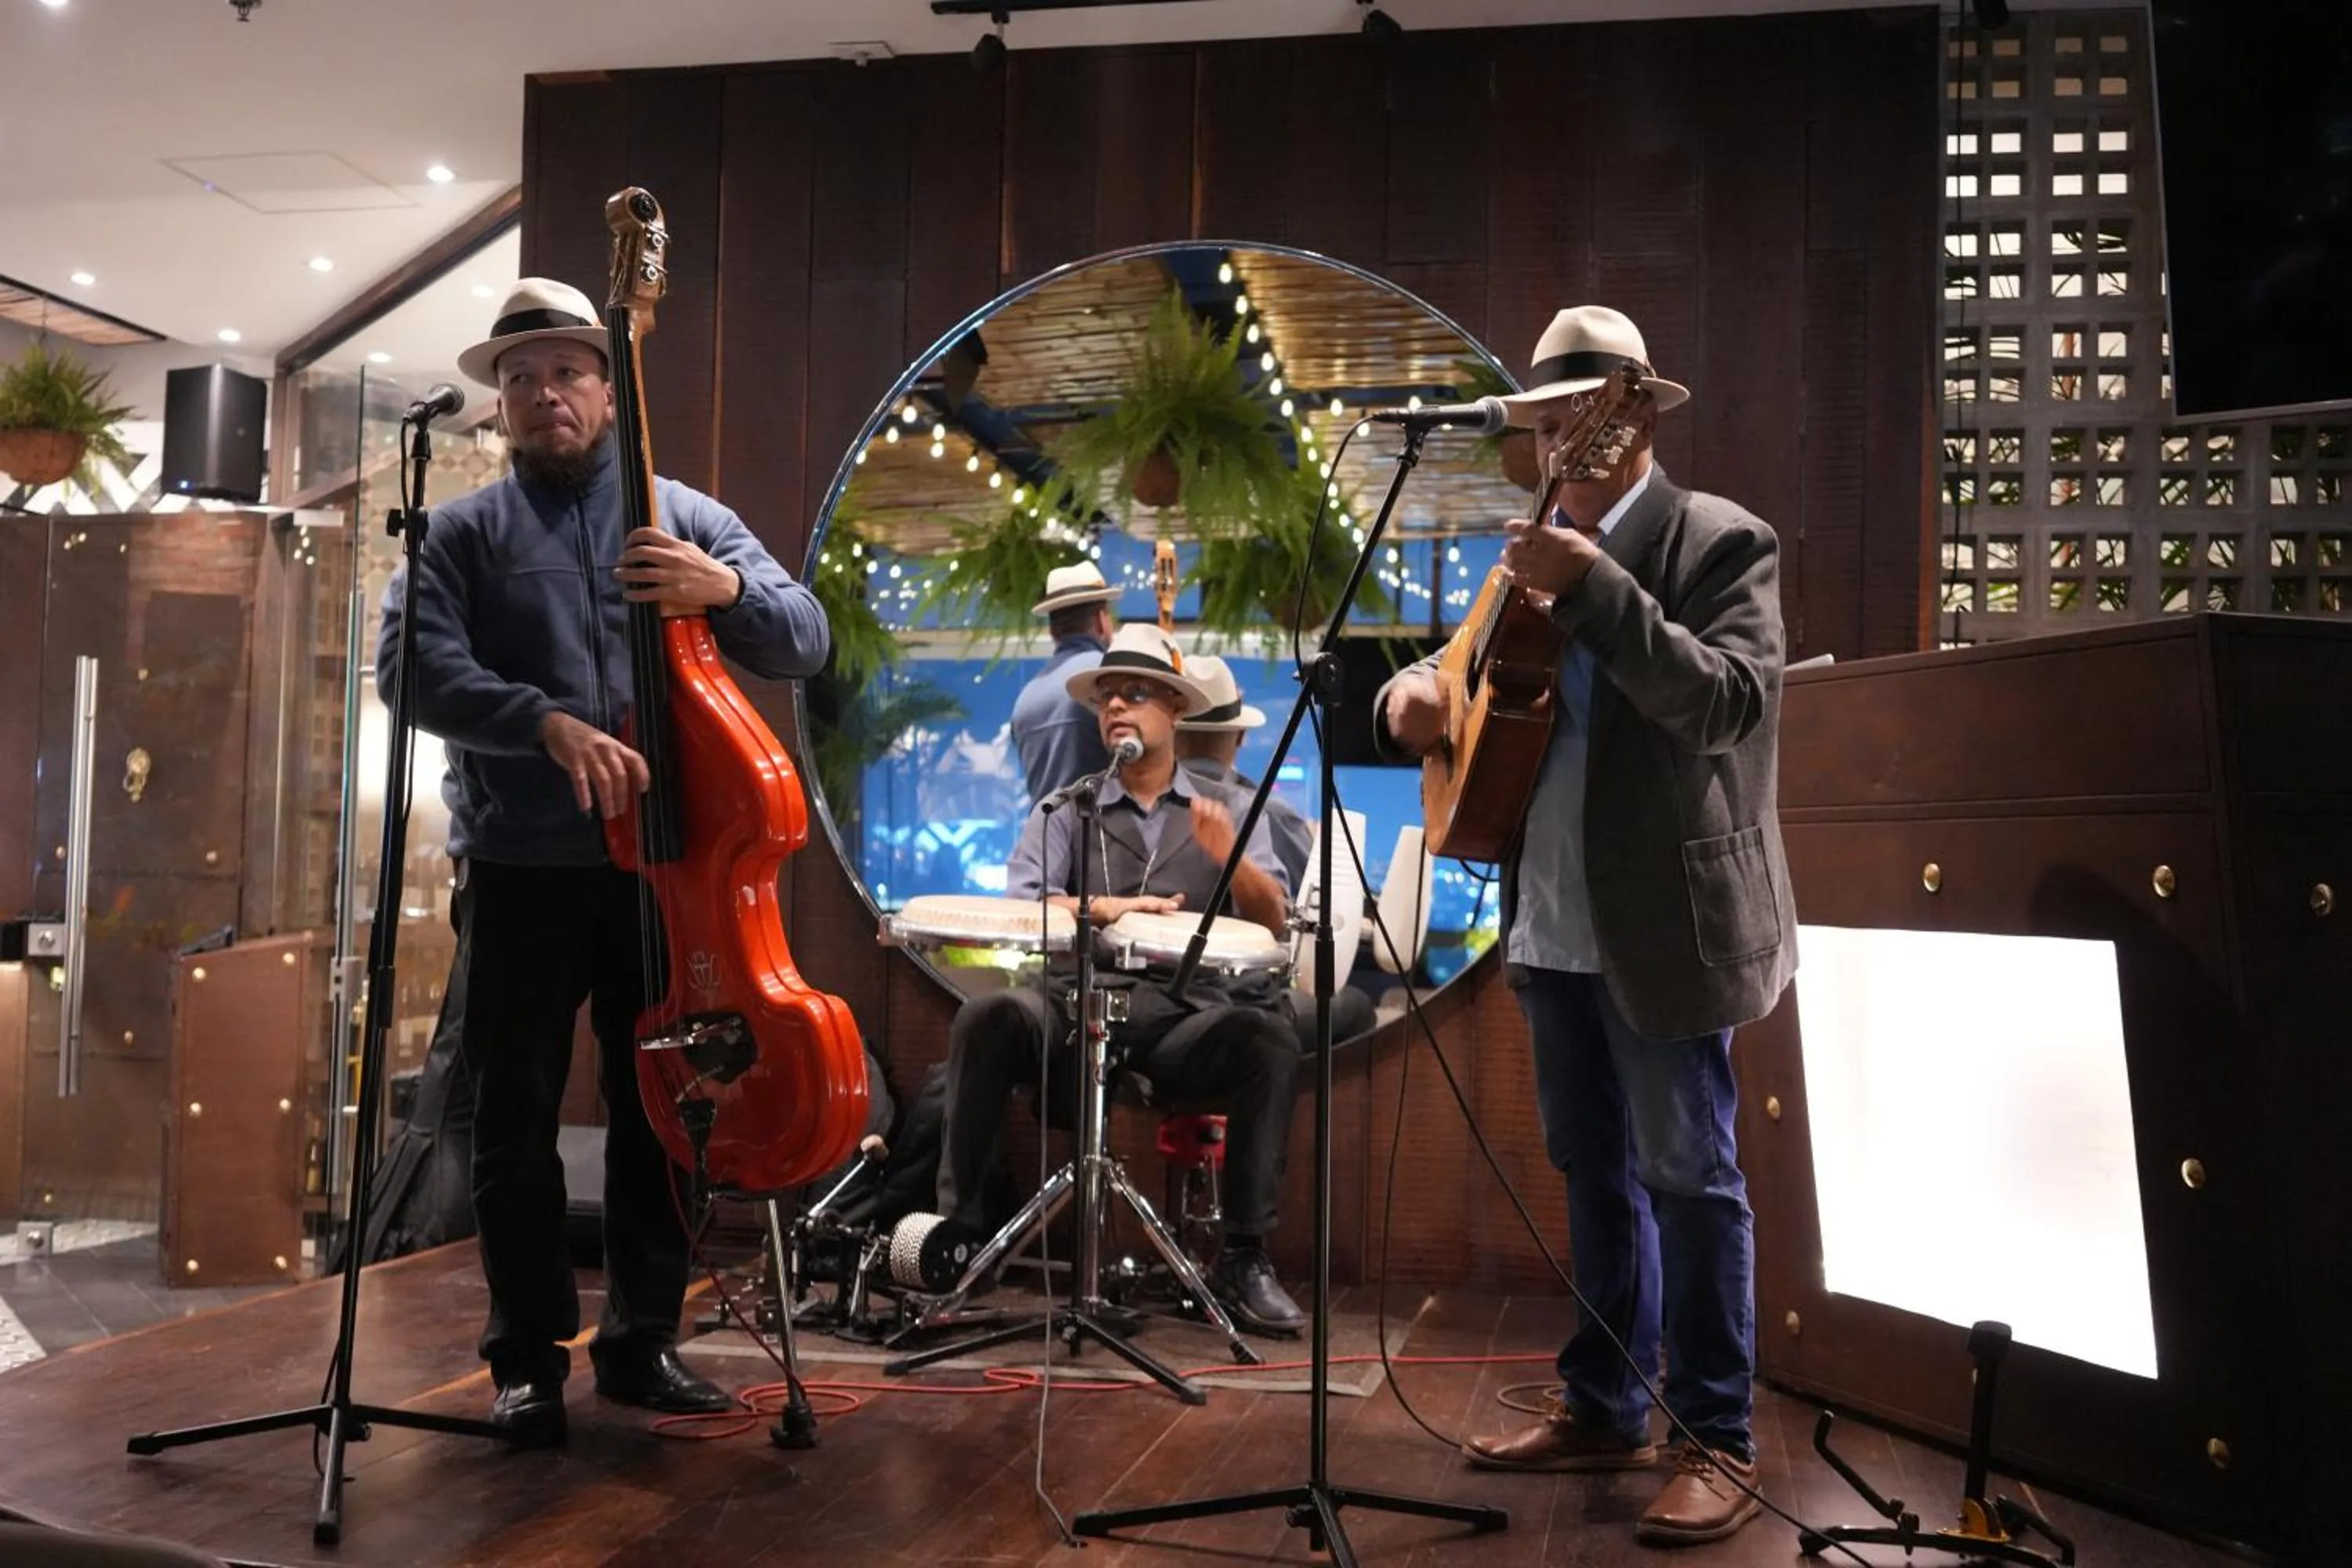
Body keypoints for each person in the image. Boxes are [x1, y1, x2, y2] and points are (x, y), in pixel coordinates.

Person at [376, 277, 833, 1446]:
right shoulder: (461, 534)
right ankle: (526, 1360)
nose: (543, 395)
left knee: (667, 1112)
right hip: (523, 866)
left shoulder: (689, 516)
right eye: (520, 380)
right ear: (501, 407)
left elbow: (806, 637)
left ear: (609, 388)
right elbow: (409, 674)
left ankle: (642, 1342)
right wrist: (542, 722)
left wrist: (721, 586)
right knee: (513, 1117)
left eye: (567, 372)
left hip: (670, 876)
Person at [1377, 305, 1795, 1547]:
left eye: (1579, 419)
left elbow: (1727, 705)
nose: (1562, 441)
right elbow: (1462, 684)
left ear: (1635, 417)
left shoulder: (1719, 540)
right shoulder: (1526, 554)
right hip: (1550, 919)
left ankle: (1716, 1436)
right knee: (1590, 1171)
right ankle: (1604, 1400)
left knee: (1692, 1178)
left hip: (1664, 925)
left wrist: (1602, 590)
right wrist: (1415, 695)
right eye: (1545, 423)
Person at [937, 623, 1308, 1334]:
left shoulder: (1227, 810)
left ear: (1174, 709)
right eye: (1106, 696)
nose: (1115, 709)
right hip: (1074, 1009)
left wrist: (1233, 860)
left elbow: (1275, 922)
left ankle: (1243, 1258)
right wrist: (1103, 908)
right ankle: (962, 1237)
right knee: (987, 1020)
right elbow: (1025, 907)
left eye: (1135, 695)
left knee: (1267, 1039)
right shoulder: (1065, 809)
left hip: (1179, 1016)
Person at [1174, 653, 1377, 1051]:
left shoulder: (1148, 800)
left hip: (1155, 999)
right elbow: (1306, 907)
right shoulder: (1266, 810)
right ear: (1239, 737)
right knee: (1355, 1008)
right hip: (1238, 999)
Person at [1010, 561, 1119, 804]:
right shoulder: (1109, 676)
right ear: (1101, 621)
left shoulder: (1026, 698)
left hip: (1043, 838)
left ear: (1052, 630)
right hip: (1103, 838)